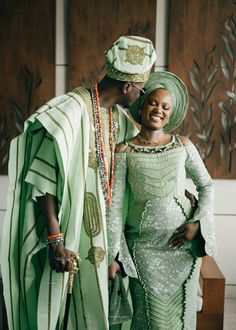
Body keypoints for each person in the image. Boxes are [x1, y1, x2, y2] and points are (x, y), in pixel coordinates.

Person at [1, 35, 157, 330]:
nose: (141, 94)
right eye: (141, 88)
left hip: (103, 243)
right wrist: (55, 240)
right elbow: (42, 180)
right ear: (127, 86)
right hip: (68, 237)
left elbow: (138, 167)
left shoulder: (119, 120)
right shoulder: (69, 112)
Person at [108, 71, 216, 330]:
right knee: (151, 319)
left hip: (181, 248)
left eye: (165, 107)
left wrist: (198, 224)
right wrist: (113, 255)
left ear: (170, 114)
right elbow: (115, 205)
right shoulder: (124, 150)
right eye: (153, 103)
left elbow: (207, 185)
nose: (158, 110)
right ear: (142, 106)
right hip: (143, 249)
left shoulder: (183, 145)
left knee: (181, 320)